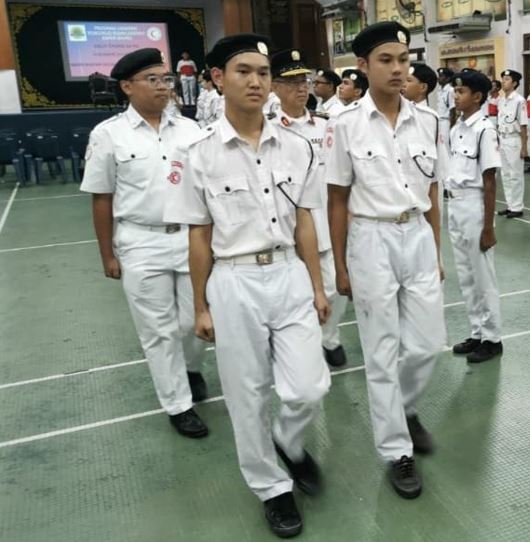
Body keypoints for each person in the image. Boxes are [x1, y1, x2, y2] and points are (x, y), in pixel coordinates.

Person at [164, 34, 332, 538]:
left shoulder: (298, 145)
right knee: (247, 393)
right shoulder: (196, 153)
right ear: (217, 78)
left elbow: (306, 222)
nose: (257, 80)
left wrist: (318, 287)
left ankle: (288, 439)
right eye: (244, 71)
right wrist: (200, 306)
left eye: (263, 71)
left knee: (308, 386)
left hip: (289, 272)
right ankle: (272, 487)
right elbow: (199, 237)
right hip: (232, 278)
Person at [326, 21, 447, 500]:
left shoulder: (430, 121)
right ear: (362, 66)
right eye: (386, 60)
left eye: (404, 59)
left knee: (427, 345)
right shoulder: (344, 125)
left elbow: (433, 192)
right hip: (370, 239)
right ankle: (397, 451)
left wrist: (434, 252)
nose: (399, 69)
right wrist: (339, 266)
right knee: (380, 351)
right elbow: (336, 199)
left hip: (415, 234)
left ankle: (404, 407)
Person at [81, 48, 209, 440]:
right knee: (159, 330)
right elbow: (101, 197)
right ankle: (178, 404)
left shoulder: (190, 130)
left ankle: (189, 367)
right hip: (140, 241)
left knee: (193, 321)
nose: (163, 86)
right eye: (152, 79)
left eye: (166, 78)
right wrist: (108, 253)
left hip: (189, 237)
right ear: (127, 86)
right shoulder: (108, 135)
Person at [270, 48, 349, 367]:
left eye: (304, 81)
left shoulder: (326, 127)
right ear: (274, 87)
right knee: (295, 294)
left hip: (325, 221)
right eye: (291, 82)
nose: (301, 87)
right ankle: (300, 345)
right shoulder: (270, 129)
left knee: (337, 288)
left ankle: (328, 338)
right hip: (289, 225)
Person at [446, 70, 504, 364]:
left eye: (462, 91)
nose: (456, 95)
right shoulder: (456, 129)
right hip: (455, 205)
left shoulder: (485, 129)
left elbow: (490, 180)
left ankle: (492, 337)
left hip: (474, 206)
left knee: (483, 277)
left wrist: (488, 226)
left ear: (478, 97)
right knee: (466, 276)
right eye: (455, 91)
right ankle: (477, 331)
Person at [496, 69, 528, 218]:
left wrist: (524, 147)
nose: (503, 81)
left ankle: (517, 207)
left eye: (507, 79)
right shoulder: (501, 100)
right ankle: (510, 205)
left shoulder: (519, 100)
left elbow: (523, 125)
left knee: (516, 175)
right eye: (503, 79)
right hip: (502, 139)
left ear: (514, 83)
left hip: (514, 139)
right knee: (505, 174)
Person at [436, 67, 456, 142]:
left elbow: (452, 110)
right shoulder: (440, 90)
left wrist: (451, 127)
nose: (439, 78)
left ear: (448, 78)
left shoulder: (450, 90)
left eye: (441, 76)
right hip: (439, 121)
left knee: (446, 145)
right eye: (439, 75)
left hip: (446, 122)